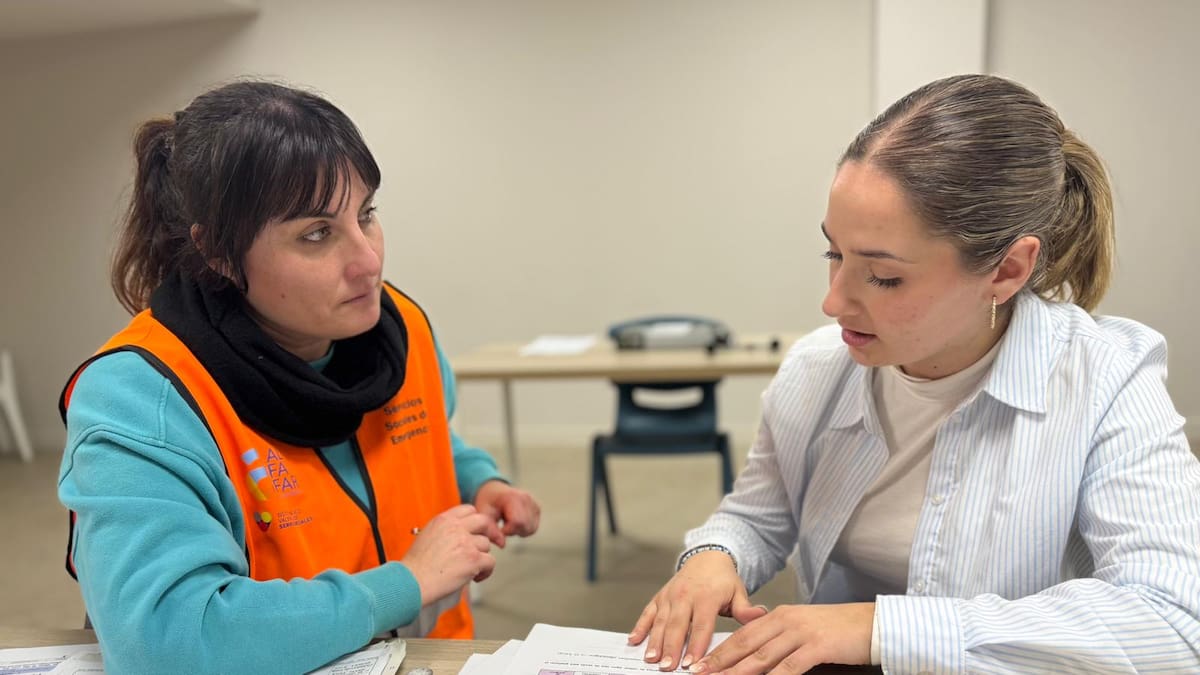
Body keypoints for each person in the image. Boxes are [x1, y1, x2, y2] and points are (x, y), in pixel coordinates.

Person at [629, 74, 1200, 673]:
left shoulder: (1105, 379)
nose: (834, 303)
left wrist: (880, 627)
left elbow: (1174, 620)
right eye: (834, 255)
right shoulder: (818, 368)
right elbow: (757, 517)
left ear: (1006, 270)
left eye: (884, 276)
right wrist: (716, 555)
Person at [57, 80, 541, 674]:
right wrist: (405, 583)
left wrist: (478, 480)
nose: (368, 261)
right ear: (217, 251)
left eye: (366, 214)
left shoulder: (404, 327)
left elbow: (422, 438)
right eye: (317, 234)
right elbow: (167, 641)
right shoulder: (141, 399)